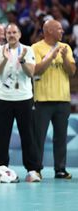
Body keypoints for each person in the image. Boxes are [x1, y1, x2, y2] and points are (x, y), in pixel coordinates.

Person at [0, 23, 42, 182]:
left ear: (19, 34)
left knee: (28, 135)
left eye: (14, 32)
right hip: (3, 98)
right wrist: (5, 60)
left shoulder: (28, 49)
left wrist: (23, 60)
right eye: (8, 32)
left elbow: (31, 73)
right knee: (1, 135)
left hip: (24, 98)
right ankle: (1, 167)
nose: (11, 35)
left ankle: (33, 170)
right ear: (5, 35)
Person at [32, 19, 76, 179]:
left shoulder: (66, 48)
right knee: (38, 137)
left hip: (62, 100)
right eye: (59, 29)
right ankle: (36, 169)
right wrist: (50, 57)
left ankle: (60, 169)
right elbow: (36, 70)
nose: (62, 31)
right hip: (42, 100)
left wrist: (64, 58)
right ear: (49, 30)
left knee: (61, 137)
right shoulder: (35, 48)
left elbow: (71, 71)